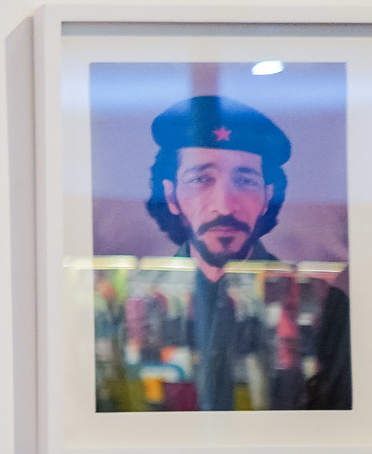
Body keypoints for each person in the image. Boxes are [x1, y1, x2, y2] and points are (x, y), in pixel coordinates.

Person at [95, 95, 352, 412]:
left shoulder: (321, 305)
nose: (225, 205)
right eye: (201, 179)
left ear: (268, 196)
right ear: (170, 195)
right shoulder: (127, 302)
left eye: (245, 181)